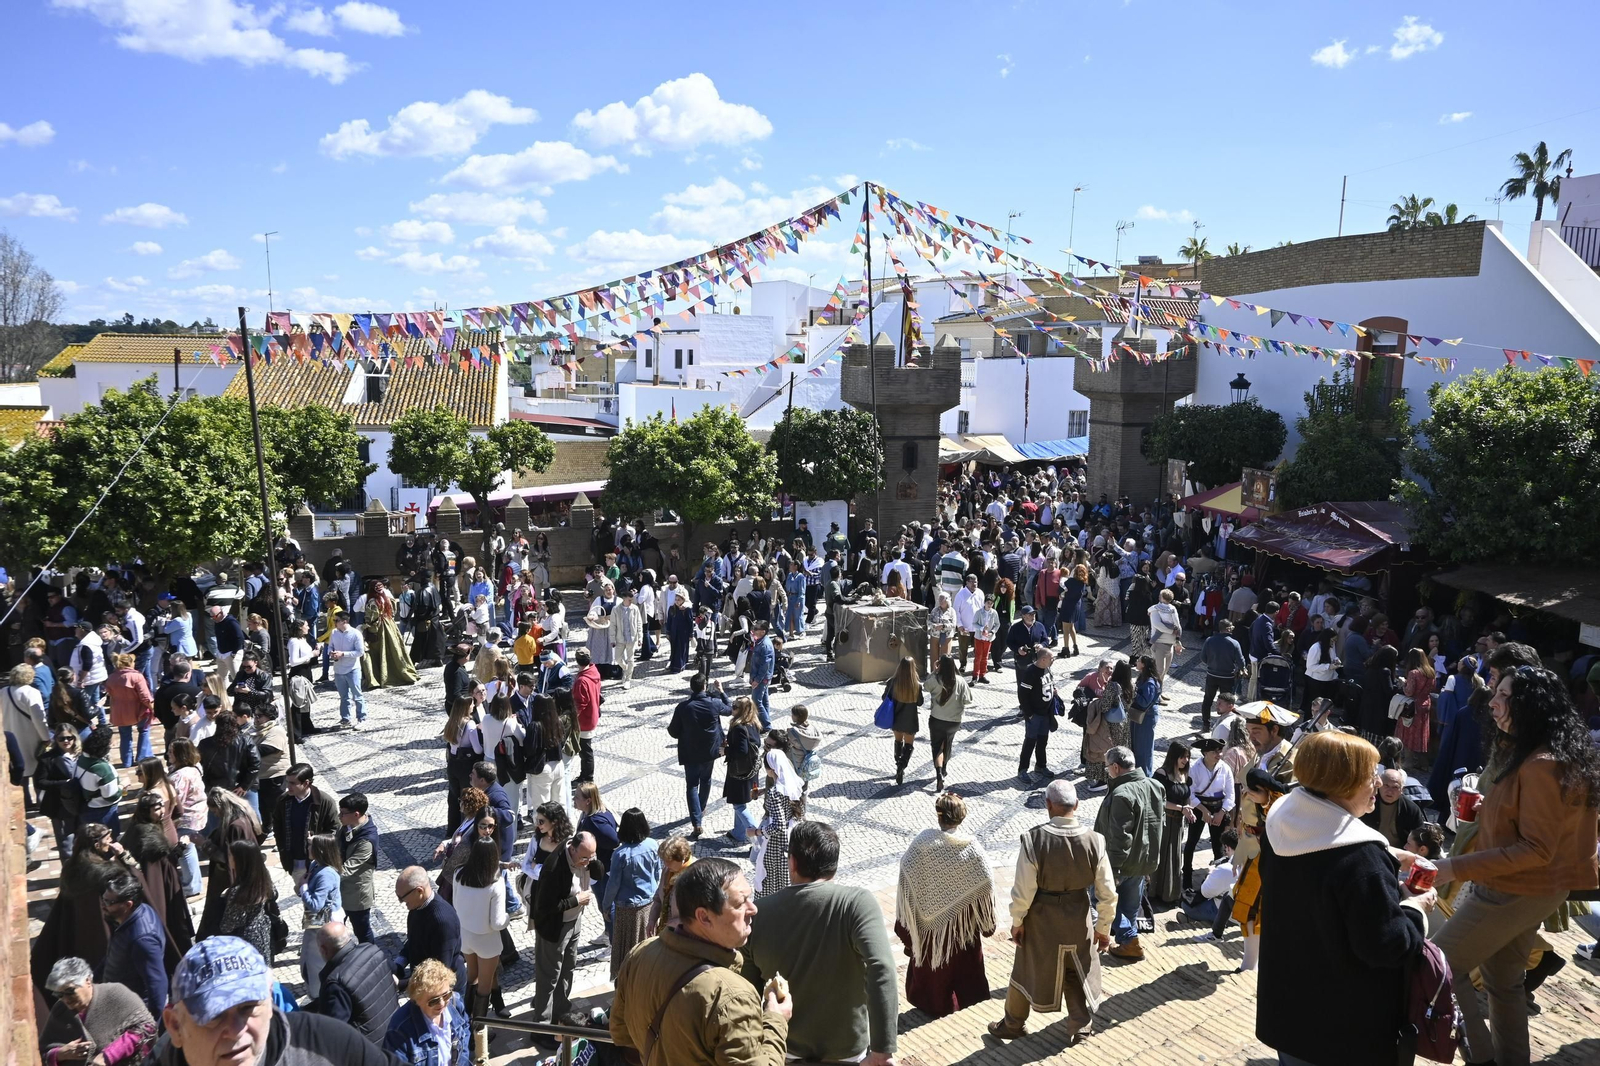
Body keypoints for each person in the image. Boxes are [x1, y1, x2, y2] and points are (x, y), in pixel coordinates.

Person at [1430, 665, 1600, 1066]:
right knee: (1504, 984)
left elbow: (1536, 849)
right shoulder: (1545, 755)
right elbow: (1545, 827)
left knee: (1436, 969)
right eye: (1496, 694)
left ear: (1531, 706)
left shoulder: (1541, 763)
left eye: (1505, 697)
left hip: (1515, 888)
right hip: (1529, 889)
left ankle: (1482, 1058)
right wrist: (1492, 809)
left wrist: (1454, 868)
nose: (1494, 704)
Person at [1258, 731, 1435, 1066]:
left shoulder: (1281, 820)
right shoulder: (1363, 859)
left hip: (1288, 1014)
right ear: (1343, 781)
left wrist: (1386, 855)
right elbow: (1387, 945)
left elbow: (1315, 878)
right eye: (1370, 774)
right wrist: (1415, 907)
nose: (1379, 782)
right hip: (1344, 1032)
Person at [610, 857, 790, 1064]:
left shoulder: (639, 954)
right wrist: (776, 1020)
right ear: (704, 917)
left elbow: (620, 1034)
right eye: (741, 903)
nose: (753, 909)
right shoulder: (733, 995)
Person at [742, 821, 896, 1065]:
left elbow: (746, 991)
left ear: (791, 862)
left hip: (783, 1047)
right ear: (834, 864)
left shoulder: (758, 913)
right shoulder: (857, 904)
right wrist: (882, 1050)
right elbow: (882, 967)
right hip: (847, 1049)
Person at [987, 779, 1115, 1044]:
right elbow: (1107, 892)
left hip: (1042, 919)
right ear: (1077, 805)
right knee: (1075, 968)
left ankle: (1013, 1023)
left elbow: (1023, 889)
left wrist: (1017, 921)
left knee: (1025, 967)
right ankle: (1080, 1026)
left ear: (1048, 805)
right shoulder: (1096, 841)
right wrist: (1103, 928)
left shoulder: (1035, 840)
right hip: (1078, 917)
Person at [147, 937, 395, 1066]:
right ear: (175, 1026)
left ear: (270, 1003)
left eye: (248, 1008)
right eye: (215, 1015)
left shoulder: (325, 1042)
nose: (236, 1032)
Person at [895, 793, 995, 1018]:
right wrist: (986, 922)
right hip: (962, 928)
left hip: (929, 929)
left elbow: (906, 869)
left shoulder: (922, 842)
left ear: (939, 815)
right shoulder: (973, 849)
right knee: (966, 971)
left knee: (933, 966)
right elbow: (986, 883)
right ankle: (967, 1003)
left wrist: (910, 918)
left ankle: (932, 1003)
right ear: (962, 816)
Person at [1230, 702, 1299, 973]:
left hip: (1272, 843)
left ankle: (1255, 963)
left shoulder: (1290, 760)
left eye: (1257, 730)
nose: (1252, 737)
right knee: (1247, 901)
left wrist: (1267, 798)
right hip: (1250, 840)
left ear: (1275, 729)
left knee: (1258, 906)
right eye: (1249, 731)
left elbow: (1293, 804)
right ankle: (1251, 961)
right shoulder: (1259, 755)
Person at [1093, 746, 1164, 960]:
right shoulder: (1156, 786)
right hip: (1144, 861)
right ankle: (1129, 944)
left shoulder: (1121, 794)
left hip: (1121, 863)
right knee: (1131, 906)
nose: (1108, 772)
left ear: (1115, 767)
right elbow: (1159, 826)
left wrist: (1111, 870)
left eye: (1107, 768)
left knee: (1104, 902)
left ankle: (1128, 940)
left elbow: (1120, 837)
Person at [528, 831, 603, 1028]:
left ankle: (561, 1014)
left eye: (591, 857)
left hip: (574, 921)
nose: (587, 862)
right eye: (584, 858)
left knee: (567, 969)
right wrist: (576, 901)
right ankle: (541, 1027)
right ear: (572, 849)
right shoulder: (554, 867)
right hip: (555, 927)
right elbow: (544, 907)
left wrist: (593, 861)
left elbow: (599, 874)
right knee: (549, 977)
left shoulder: (585, 856)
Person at [40, 957, 158, 1066]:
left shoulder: (116, 993)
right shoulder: (60, 1010)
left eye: (70, 991)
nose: (65, 999)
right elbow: (43, 1051)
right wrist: (60, 1054)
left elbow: (147, 1027)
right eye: (59, 994)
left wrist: (108, 1055)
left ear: (87, 980)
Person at [450, 838, 506, 1056]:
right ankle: (478, 1033)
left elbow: (455, 904)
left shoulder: (459, 874)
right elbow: (498, 922)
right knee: (484, 986)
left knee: (472, 977)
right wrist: (511, 916)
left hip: (466, 936)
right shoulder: (495, 882)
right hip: (487, 941)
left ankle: (465, 1024)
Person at [306, 922, 396, 1043]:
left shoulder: (335, 983)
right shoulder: (372, 950)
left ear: (323, 949)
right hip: (394, 1030)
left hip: (371, 1049)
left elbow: (334, 1032)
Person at [97, 870, 169, 1018]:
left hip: (130, 1011)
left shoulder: (142, 940)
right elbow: (116, 954)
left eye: (109, 902)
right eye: (103, 900)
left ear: (128, 904)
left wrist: (151, 1026)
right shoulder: (138, 912)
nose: (103, 906)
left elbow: (157, 985)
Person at [601, 808, 661, 982]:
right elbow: (657, 874)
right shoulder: (652, 845)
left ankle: (627, 980)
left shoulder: (620, 854)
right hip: (649, 904)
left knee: (626, 947)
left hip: (627, 908)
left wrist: (606, 906)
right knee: (646, 942)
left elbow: (613, 885)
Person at [393, 866, 468, 996]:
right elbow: (414, 940)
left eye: (402, 897)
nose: (401, 902)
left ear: (419, 891)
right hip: (424, 981)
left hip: (446, 991)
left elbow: (440, 971)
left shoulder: (443, 921)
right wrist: (399, 964)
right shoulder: (416, 908)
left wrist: (402, 984)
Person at [385, 959, 471, 1066]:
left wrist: (462, 1062)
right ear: (417, 1000)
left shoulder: (455, 1003)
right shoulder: (399, 1030)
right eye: (433, 1000)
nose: (442, 1003)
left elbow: (465, 1030)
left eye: (446, 995)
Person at [271, 763, 340, 884]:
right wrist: (282, 849)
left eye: (293, 783)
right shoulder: (283, 800)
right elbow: (277, 827)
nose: (288, 787)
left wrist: (317, 841)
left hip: (319, 861)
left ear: (306, 783)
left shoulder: (324, 801)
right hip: (293, 860)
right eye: (287, 782)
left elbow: (335, 829)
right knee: (303, 894)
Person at [216, 839, 279, 967]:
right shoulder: (263, 880)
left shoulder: (238, 892)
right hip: (263, 933)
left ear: (239, 860)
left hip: (246, 941)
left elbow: (227, 925)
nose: (228, 859)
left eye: (230, 855)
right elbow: (274, 894)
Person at [298, 834, 347, 999]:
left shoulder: (326, 874)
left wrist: (303, 888)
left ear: (320, 850)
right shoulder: (315, 865)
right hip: (315, 921)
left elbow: (315, 904)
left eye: (310, 845)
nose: (307, 848)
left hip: (323, 924)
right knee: (307, 959)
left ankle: (319, 997)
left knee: (315, 963)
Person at [1183, 738, 1234, 888]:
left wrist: (1222, 812)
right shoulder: (1195, 769)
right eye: (1215, 752)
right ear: (1205, 753)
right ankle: (1186, 877)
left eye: (1220, 751)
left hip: (1218, 808)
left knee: (1218, 846)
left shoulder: (1225, 768)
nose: (1219, 754)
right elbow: (1190, 793)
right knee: (1191, 842)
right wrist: (1203, 811)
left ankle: (1218, 879)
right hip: (1200, 808)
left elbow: (1231, 794)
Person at [754, 743, 802, 897]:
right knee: (785, 879)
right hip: (790, 839)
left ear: (771, 769)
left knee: (771, 879)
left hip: (776, 845)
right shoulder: (792, 785)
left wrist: (757, 831)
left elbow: (778, 825)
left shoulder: (776, 792)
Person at [1151, 743, 1195, 904]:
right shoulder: (1162, 774)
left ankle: (1169, 893)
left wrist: (1188, 809)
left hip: (1177, 823)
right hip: (1164, 820)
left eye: (1188, 757)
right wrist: (1181, 808)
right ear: (1174, 756)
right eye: (1182, 757)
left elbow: (1187, 796)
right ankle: (1154, 891)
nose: (1186, 760)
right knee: (1161, 854)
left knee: (1174, 856)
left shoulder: (1185, 776)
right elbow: (1158, 800)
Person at [1080, 660, 1131, 793]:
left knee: (1106, 750)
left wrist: (1095, 702)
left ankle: (1104, 780)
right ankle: (1119, 775)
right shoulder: (1130, 685)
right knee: (1120, 751)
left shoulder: (1113, 686)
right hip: (1124, 724)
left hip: (1111, 725)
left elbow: (1104, 706)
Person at [337, 793, 379, 944]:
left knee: (362, 932)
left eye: (342, 813)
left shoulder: (366, 841)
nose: (339, 816)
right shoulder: (347, 826)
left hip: (356, 896)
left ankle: (370, 958)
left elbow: (347, 869)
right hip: (341, 890)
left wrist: (324, 875)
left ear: (356, 814)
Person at [926, 655, 970, 792]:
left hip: (937, 718)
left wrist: (934, 671)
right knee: (948, 743)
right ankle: (944, 768)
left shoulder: (935, 679)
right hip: (954, 721)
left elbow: (925, 686)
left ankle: (939, 772)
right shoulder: (961, 681)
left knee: (937, 746)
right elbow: (968, 700)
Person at [724, 695, 762, 843]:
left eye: (734, 707)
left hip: (740, 771)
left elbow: (741, 751)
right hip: (751, 769)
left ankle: (757, 835)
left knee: (739, 804)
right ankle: (738, 833)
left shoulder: (739, 727)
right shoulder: (754, 723)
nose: (731, 708)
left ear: (742, 710)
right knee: (740, 800)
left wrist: (726, 751)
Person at [1016, 646, 1058, 780]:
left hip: (1046, 714)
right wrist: (1029, 714)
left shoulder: (1047, 668)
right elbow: (1022, 695)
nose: (1053, 660)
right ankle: (1023, 770)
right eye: (1052, 658)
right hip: (1034, 715)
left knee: (1042, 741)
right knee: (1030, 742)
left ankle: (1041, 765)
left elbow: (1049, 683)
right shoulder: (1031, 672)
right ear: (1043, 659)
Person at [74, 726, 123, 839]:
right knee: (108, 843)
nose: (113, 745)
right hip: (104, 813)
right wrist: (121, 786)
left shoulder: (81, 759)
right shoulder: (102, 769)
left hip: (87, 809)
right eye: (110, 743)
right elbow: (111, 796)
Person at [1358, 767, 1424, 848]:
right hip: (1369, 848)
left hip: (1399, 851)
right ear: (1379, 785)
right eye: (1386, 786)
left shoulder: (1411, 809)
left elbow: (1419, 837)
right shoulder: (1368, 803)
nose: (1390, 791)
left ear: (1402, 790)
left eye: (1395, 787)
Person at [1199, 620, 1245, 733]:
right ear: (1228, 628)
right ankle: (1224, 724)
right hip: (1227, 677)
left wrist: (1211, 664)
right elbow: (1241, 661)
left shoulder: (1209, 640)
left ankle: (1206, 724)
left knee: (1208, 699)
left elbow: (1203, 658)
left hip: (1212, 675)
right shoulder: (1234, 643)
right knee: (1227, 702)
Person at [883, 655, 922, 786]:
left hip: (896, 718)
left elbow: (884, 698)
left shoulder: (892, 682)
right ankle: (902, 766)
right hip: (910, 720)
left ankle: (897, 764)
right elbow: (920, 702)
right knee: (909, 746)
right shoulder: (916, 685)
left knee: (898, 742)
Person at [328, 613, 368, 729]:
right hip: (338, 670)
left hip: (352, 669)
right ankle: (345, 718)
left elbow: (360, 652)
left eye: (336, 620)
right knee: (343, 696)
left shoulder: (355, 634)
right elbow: (330, 647)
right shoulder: (334, 633)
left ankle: (362, 718)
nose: (334, 622)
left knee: (357, 695)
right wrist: (331, 653)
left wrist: (343, 654)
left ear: (344, 621)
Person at [1126, 654, 1162, 776]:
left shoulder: (1150, 683)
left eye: (1139, 661)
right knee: (1136, 744)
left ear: (1144, 665)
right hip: (1139, 716)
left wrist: (1134, 692)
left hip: (1146, 717)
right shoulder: (1143, 677)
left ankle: (1146, 774)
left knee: (1144, 747)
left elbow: (1144, 701)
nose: (1136, 662)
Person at [571, 648, 601, 782]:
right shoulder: (593, 672)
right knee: (585, 750)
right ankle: (585, 775)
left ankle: (587, 777)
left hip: (585, 720)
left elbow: (580, 704)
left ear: (577, 661)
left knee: (585, 751)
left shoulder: (582, 680)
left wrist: (571, 718)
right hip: (592, 714)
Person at [746, 619, 775, 730]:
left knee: (756, 702)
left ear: (763, 631)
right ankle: (764, 722)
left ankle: (766, 725)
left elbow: (765, 666)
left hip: (761, 678)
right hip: (762, 677)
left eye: (756, 629)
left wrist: (757, 680)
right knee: (763, 700)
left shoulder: (765, 645)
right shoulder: (761, 641)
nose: (754, 631)